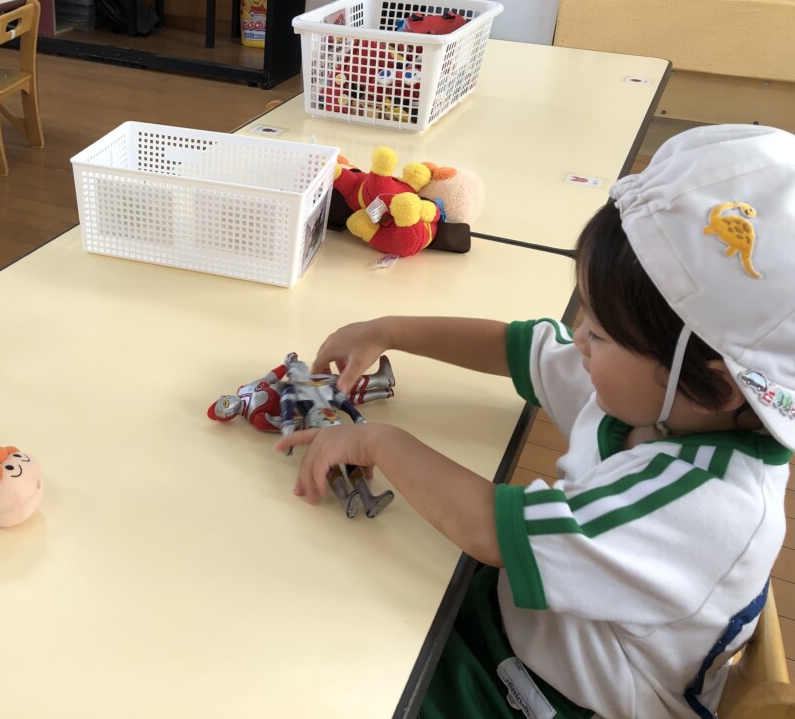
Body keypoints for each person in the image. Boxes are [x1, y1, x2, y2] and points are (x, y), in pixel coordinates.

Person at [282, 124, 795, 718]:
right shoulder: (664, 399)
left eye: (600, 332)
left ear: (716, 386)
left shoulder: (702, 505)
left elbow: (491, 531)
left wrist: (376, 441)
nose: (579, 337)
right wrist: (387, 329)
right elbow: (520, 349)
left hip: (552, 698)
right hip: (530, 630)